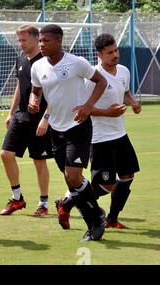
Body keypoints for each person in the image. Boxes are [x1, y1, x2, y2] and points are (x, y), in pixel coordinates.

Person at [28, 24, 108, 242]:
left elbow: (102, 81)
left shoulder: (76, 62)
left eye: (46, 41)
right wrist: (33, 100)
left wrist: (88, 106)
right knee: (71, 179)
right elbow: (36, 90)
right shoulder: (38, 66)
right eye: (40, 41)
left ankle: (95, 222)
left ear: (59, 41)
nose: (41, 44)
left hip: (78, 126)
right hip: (56, 128)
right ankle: (96, 214)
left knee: (73, 176)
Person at [56, 33, 141, 229]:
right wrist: (107, 113)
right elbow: (80, 108)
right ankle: (66, 201)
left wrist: (133, 103)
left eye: (116, 50)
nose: (115, 55)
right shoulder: (91, 77)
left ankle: (111, 219)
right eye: (110, 52)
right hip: (99, 137)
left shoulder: (123, 71)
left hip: (120, 134)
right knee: (105, 185)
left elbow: (125, 92)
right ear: (99, 55)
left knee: (128, 176)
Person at [0, 24, 53, 217]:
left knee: (39, 161)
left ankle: (43, 204)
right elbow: (19, 85)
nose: (21, 44)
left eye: (24, 40)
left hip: (39, 119)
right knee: (6, 154)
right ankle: (17, 198)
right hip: (20, 116)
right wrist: (11, 112)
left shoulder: (46, 62)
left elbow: (53, 93)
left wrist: (45, 118)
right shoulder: (21, 58)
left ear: (35, 39)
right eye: (19, 40)